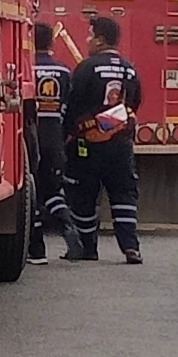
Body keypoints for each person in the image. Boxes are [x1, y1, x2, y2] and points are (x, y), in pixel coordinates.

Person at [63, 16, 143, 264]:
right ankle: (131, 247)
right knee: (124, 194)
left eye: (89, 35)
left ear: (99, 39)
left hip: (89, 144)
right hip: (121, 144)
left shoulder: (86, 68)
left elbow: (72, 104)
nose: (87, 40)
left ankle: (89, 248)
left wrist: (67, 134)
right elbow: (135, 102)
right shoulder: (130, 68)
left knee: (84, 195)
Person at [28, 23, 84, 265]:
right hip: (55, 138)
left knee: (31, 195)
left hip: (30, 138)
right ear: (51, 43)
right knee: (52, 190)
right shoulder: (64, 72)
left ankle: (37, 250)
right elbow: (73, 110)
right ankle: (69, 226)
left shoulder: (26, 68)